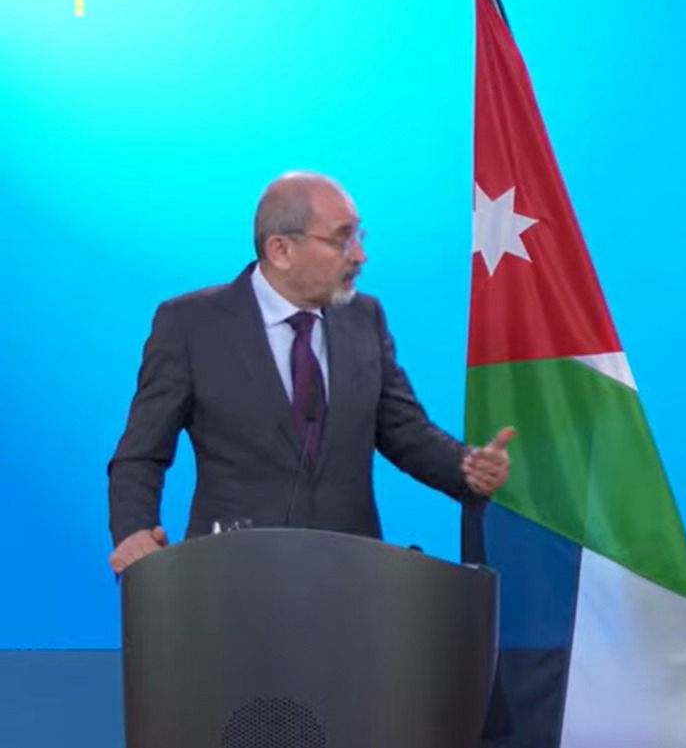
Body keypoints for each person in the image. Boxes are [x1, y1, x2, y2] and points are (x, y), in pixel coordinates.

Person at [107, 171, 514, 574]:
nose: (359, 255)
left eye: (359, 236)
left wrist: (467, 468)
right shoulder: (192, 325)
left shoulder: (364, 318)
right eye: (342, 239)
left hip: (351, 575)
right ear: (281, 250)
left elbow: (405, 431)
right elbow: (140, 453)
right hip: (231, 576)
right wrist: (134, 532)